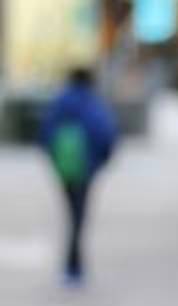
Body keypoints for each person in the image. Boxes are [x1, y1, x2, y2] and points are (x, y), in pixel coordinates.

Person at [38, 67, 119, 287]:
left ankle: (72, 265)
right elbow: (106, 134)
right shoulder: (93, 103)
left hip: (65, 168)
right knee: (78, 217)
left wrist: (55, 160)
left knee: (72, 214)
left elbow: (45, 133)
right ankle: (74, 266)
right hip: (86, 168)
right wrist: (99, 163)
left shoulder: (60, 102)